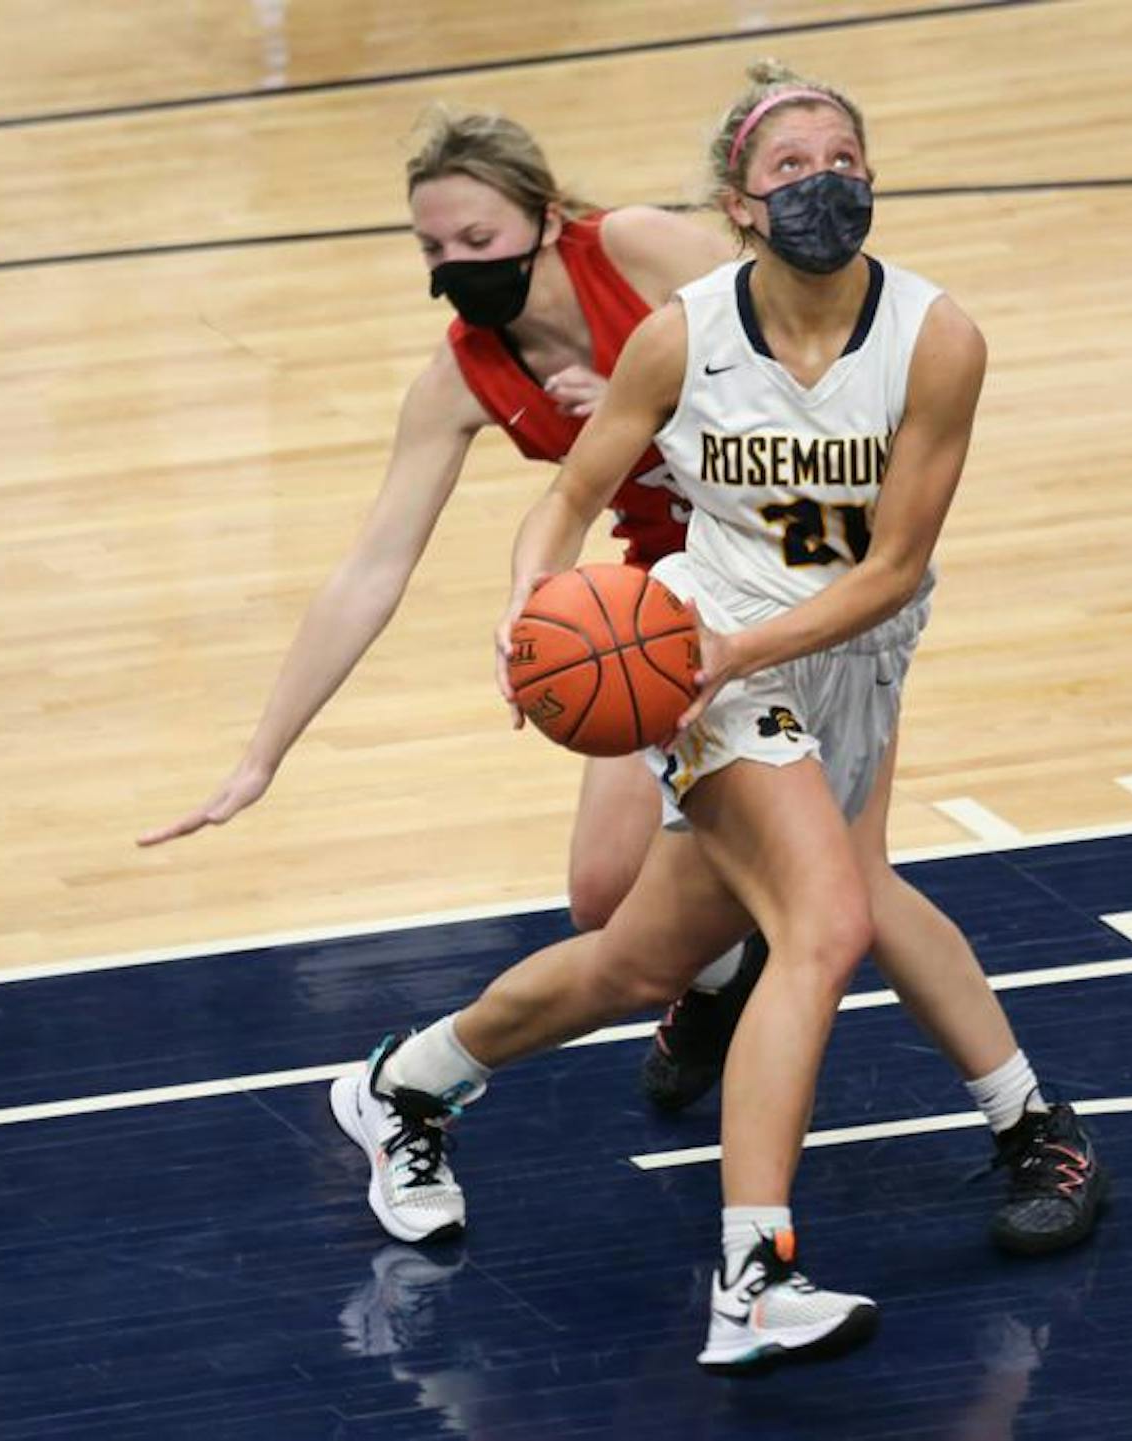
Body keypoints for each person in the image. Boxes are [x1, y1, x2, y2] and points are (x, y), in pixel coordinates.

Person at [339, 61, 1108, 1374]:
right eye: (791, 168)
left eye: (842, 158)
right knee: (827, 920)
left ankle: (406, 1079)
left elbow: (893, 571)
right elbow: (569, 497)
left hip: (842, 654)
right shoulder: (682, 331)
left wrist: (742, 647)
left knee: (637, 962)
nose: (824, 183)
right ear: (737, 205)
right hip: (712, 658)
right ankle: (756, 1274)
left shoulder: (939, 338)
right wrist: (534, 602)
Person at [133, 108, 762, 1107]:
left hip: (792, 552)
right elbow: (371, 569)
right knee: (604, 897)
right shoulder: (462, 372)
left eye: (479, 240)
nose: (456, 264)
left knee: (809, 872)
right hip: (670, 589)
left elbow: (813, 354)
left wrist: (655, 399)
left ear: (549, 220)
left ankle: (1012, 1105)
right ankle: (730, 977)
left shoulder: (637, 248)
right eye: (434, 248)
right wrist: (262, 755)